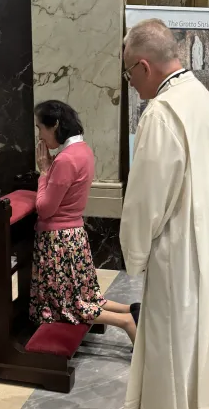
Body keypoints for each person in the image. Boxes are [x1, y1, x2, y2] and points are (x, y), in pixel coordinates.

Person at [111, 19, 209, 409]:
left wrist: (134, 251)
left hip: (176, 250)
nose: (131, 84)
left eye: (130, 73)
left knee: (170, 341)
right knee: (195, 340)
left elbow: (147, 197)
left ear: (145, 65)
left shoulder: (163, 113)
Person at [31, 99, 139, 343]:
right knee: (86, 296)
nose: (39, 134)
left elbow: (45, 208)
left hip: (58, 241)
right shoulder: (83, 150)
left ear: (55, 124)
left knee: (71, 306)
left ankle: (126, 321)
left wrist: (44, 173)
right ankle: (132, 310)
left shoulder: (65, 160)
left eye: (40, 127)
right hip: (74, 236)